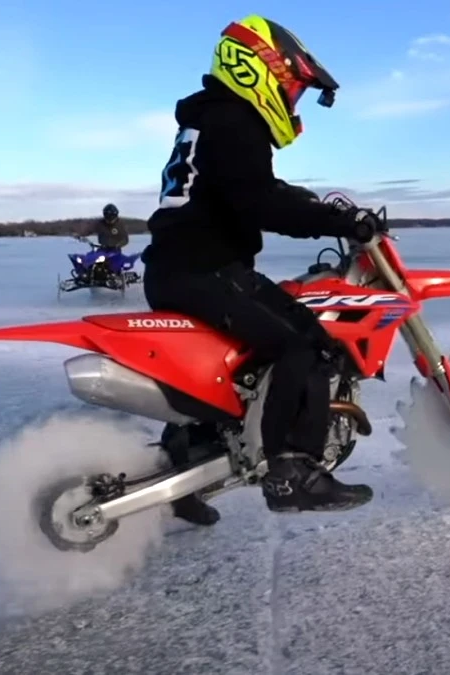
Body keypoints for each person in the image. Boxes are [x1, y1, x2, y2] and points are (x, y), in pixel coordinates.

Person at [140, 14, 384, 525]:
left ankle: (184, 471)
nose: (292, 101)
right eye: (291, 87)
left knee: (236, 370)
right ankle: (291, 469)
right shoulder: (235, 120)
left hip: (186, 268)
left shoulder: (211, 118)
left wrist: (307, 202)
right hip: (204, 270)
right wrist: (336, 221)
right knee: (306, 346)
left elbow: (249, 188)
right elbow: (259, 202)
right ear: (258, 68)